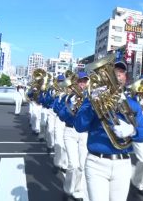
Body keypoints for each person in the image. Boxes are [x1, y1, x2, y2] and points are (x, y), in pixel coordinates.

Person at [74, 61, 143, 201]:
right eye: (114, 73)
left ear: (125, 78)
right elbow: (79, 126)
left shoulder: (132, 104)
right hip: (96, 163)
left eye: (121, 73)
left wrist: (132, 130)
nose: (117, 76)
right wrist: (92, 104)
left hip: (123, 163)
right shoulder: (92, 99)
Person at [59, 71, 90, 201]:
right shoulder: (67, 97)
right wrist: (71, 106)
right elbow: (61, 115)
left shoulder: (90, 98)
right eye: (80, 81)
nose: (82, 84)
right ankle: (67, 190)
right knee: (72, 164)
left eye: (84, 81)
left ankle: (78, 191)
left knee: (82, 165)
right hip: (70, 132)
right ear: (75, 83)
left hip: (84, 133)